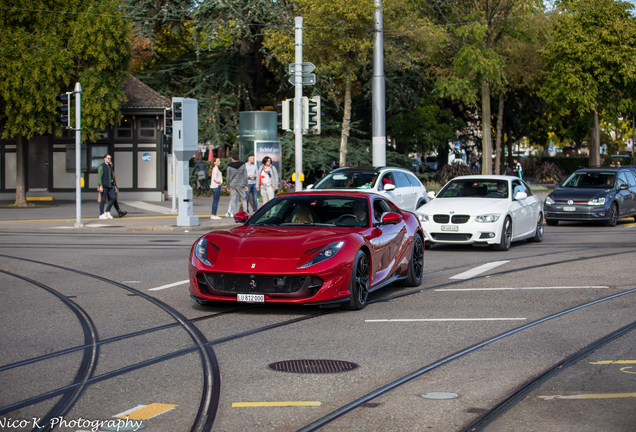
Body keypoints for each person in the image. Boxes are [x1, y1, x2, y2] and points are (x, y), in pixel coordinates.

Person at [97, 154, 126, 219]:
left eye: (110, 158)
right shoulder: (101, 167)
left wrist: (113, 185)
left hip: (110, 186)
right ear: (105, 159)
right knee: (103, 200)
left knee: (113, 198)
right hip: (104, 186)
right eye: (108, 158)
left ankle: (107, 211)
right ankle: (101, 214)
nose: (109, 159)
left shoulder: (109, 166)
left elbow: (111, 176)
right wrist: (100, 186)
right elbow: (99, 177)